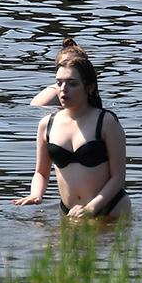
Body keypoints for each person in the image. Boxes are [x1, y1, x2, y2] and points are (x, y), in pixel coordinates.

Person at [14, 50, 129, 220]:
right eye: (59, 83)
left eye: (72, 84)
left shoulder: (107, 122)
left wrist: (91, 208)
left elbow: (118, 177)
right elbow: (41, 172)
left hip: (110, 208)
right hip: (70, 212)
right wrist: (36, 194)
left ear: (89, 87)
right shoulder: (47, 124)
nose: (63, 90)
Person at [30, 38, 86, 107]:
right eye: (64, 63)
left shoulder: (89, 90)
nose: (68, 66)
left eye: (76, 64)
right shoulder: (47, 99)